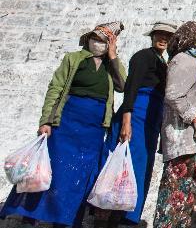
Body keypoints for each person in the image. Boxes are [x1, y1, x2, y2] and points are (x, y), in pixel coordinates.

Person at [1, 23, 126, 227]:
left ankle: (65, 219)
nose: (99, 44)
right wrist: (46, 121)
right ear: (88, 39)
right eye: (96, 39)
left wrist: (113, 56)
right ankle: (30, 215)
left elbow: (122, 85)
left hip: (93, 130)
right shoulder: (73, 59)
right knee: (53, 170)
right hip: (67, 123)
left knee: (80, 174)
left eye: (104, 41)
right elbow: (56, 88)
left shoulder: (110, 65)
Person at [97, 21, 176, 227]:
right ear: (152, 36)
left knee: (140, 167)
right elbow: (131, 87)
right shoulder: (143, 56)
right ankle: (107, 216)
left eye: (167, 36)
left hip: (149, 121)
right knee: (122, 167)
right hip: (135, 116)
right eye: (159, 34)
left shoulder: (163, 62)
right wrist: (126, 120)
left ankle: (126, 215)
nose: (163, 39)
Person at [154, 21, 196, 228]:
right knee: (174, 195)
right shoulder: (183, 60)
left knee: (188, 197)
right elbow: (174, 95)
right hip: (184, 136)